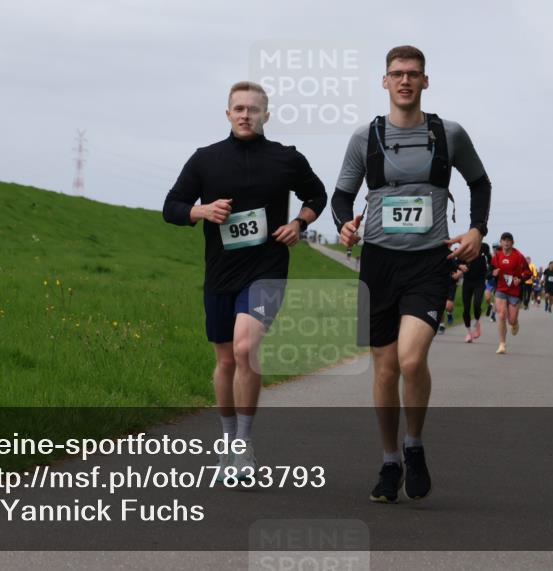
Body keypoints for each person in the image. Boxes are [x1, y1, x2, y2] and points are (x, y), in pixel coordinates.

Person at [333, 45, 491, 503]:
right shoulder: (365, 138)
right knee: (384, 371)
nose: (405, 80)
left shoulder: (448, 134)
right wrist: (344, 224)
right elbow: (341, 196)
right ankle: (389, 461)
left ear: (425, 81)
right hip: (379, 263)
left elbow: (479, 182)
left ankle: (414, 444)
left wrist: (477, 229)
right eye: (397, 73)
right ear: (384, 81)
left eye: (413, 74)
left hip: (428, 262)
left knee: (410, 359)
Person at [163, 81, 327, 480]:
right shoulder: (205, 159)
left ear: (266, 115)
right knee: (224, 360)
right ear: (228, 113)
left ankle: (244, 445)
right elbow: (172, 207)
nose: (245, 115)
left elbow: (316, 195)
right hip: (221, 272)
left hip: (267, 268)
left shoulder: (286, 158)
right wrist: (202, 211)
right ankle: (228, 442)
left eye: (253, 109)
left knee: (244, 347)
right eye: (239, 108)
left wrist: (298, 224)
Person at [491, 232, 531, 355]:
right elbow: (490, 270)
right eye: (504, 240)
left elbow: (528, 272)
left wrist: (521, 279)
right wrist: (493, 273)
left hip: (514, 291)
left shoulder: (518, 256)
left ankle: (515, 323)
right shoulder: (497, 256)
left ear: (512, 243)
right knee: (501, 315)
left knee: (511, 320)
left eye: (509, 240)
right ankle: (502, 344)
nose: (506, 243)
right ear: (501, 242)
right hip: (501, 289)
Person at [462, 242, 490, 342]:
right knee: (466, 308)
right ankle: (469, 333)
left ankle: (477, 322)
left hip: (480, 282)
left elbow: (491, 262)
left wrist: (490, 273)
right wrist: (461, 267)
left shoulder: (484, 247)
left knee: (477, 304)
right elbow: (457, 261)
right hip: (467, 282)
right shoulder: (467, 248)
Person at [484, 243, 499, 321]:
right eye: (493, 248)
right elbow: (487, 269)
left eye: (496, 248)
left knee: (496, 298)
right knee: (487, 297)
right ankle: (490, 304)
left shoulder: (502, 257)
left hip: (498, 281)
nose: (495, 249)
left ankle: (493, 315)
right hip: (490, 280)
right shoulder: (490, 257)